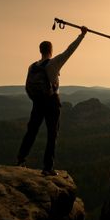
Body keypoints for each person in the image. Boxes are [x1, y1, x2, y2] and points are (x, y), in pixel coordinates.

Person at [17, 26, 87, 176]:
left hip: (37, 103)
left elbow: (27, 86)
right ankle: (48, 168)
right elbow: (70, 50)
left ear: (40, 50)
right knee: (52, 134)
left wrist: (36, 100)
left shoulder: (32, 66)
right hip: (52, 102)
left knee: (32, 131)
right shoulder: (53, 63)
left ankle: (21, 160)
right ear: (51, 50)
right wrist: (82, 35)